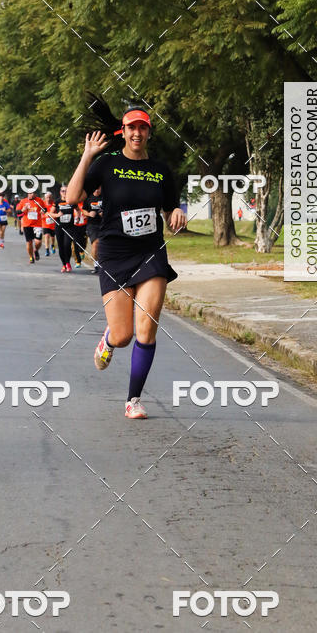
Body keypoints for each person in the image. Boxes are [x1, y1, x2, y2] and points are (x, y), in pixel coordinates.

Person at [67, 101, 186, 419]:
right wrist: (86, 156)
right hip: (115, 254)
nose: (137, 132)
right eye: (132, 127)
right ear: (124, 131)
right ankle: (108, 339)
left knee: (146, 331)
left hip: (150, 254)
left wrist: (176, 211)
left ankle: (133, 400)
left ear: (149, 132)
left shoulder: (160, 171)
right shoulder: (106, 164)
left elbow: (172, 206)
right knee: (123, 335)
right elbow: (72, 198)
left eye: (142, 127)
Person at [51, 184, 75, 273]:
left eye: (66, 191)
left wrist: (78, 217)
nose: (65, 192)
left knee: (67, 245)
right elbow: (50, 213)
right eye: (63, 191)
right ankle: (64, 264)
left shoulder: (72, 201)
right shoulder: (57, 202)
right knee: (61, 246)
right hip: (59, 227)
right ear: (60, 192)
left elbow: (78, 210)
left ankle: (68, 262)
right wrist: (57, 215)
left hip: (69, 227)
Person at [18, 191, 47, 264]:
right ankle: (31, 257)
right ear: (28, 193)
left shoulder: (39, 200)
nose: (32, 194)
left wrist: (43, 211)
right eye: (31, 193)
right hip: (27, 225)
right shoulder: (23, 201)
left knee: (38, 242)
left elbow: (45, 208)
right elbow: (18, 212)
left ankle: (36, 250)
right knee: (29, 242)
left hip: (37, 224)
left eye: (34, 193)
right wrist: (23, 210)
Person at [84, 186, 103, 274]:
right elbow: (83, 210)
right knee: (95, 243)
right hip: (92, 225)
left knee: (104, 245)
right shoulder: (88, 198)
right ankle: (96, 265)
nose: (96, 189)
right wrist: (89, 213)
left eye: (98, 188)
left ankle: (103, 264)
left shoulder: (105, 197)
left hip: (104, 224)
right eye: (95, 188)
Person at [72, 201, 88, 268]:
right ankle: (78, 261)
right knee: (75, 244)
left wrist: (86, 216)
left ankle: (82, 250)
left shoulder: (85, 204)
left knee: (83, 242)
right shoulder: (73, 204)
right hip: (75, 226)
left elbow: (89, 213)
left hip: (84, 226)